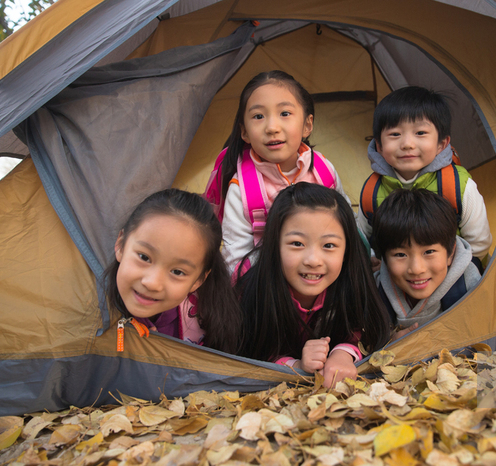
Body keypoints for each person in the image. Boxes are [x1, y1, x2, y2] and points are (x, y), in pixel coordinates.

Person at [236, 183, 391, 387]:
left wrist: (342, 354)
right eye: (297, 244)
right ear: (275, 245)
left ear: (346, 251)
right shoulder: (253, 290)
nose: (313, 260)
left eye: (329, 246)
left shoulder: (351, 284)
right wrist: (296, 365)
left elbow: (364, 329)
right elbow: (249, 350)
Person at [204, 70, 348, 271]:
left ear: (307, 125)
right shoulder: (242, 190)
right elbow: (235, 262)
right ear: (244, 131)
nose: (272, 127)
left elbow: (349, 226)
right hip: (265, 288)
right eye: (258, 116)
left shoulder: (323, 172)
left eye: (285, 113)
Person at [358, 86, 492, 269]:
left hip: (455, 277)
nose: (407, 144)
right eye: (395, 134)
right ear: (379, 145)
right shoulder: (371, 191)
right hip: (396, 279)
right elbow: (362, 238)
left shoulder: (457, 185)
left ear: (441, 144)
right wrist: (372, 258)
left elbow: (479, 243)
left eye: (420, 133)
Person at [104, 188, 242, 354]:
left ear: (199, 279)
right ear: (120, 245)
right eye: (144, 257)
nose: (152, 283)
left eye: (177, 272)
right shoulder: (85, 311)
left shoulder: (210, 322)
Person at [372, 189, 481, 331]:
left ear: (451, 253)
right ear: (384, 259)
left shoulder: (471, 288)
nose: (417, 269)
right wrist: (389, 342)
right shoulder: (376, 293)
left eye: (429, 252)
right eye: (400, 255)